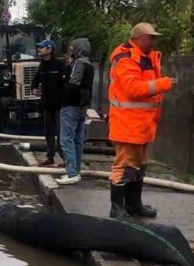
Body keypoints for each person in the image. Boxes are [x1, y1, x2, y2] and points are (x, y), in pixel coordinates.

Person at [107, 23, 175, 219]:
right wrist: (163, 84)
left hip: (142, 123)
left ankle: (133, 204)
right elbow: (133, 89)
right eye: (150, 37)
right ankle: (117, 208)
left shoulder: (146, 58)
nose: (154, 41)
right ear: (138, 38)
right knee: (124, 165)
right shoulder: (125, 59)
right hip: (127, 123)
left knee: (140, 165)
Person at [56, 38, 94, 185]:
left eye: (73, 48)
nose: (70, 50)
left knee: (66, 139)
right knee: (78, 140)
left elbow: (73, 83)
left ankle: (71, 173)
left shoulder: (78, 63)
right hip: (82, 106)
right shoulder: (90, 65)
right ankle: (76, 171)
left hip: (71, 106)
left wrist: (62, 97)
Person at [31, 40, 67, 167]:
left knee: (61, 132)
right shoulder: (42, 65)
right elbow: (35, 80)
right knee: (48, 132)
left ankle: (65, 158)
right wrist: (34, 88)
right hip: (46, 104)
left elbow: (66, 83)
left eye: (41, 47)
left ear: (49, 49)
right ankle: (50, 157)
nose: (39, 50)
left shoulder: (59, 65)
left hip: (58, 105)